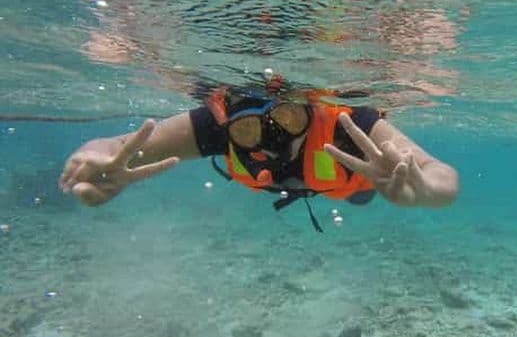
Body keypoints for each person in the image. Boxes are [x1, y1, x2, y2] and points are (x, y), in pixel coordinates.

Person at [58, 77, 459, 229]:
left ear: (311, 108)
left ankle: (364, 192)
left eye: (288, 118)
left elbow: (441, 175)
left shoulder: (348, 125)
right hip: (326, 182)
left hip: (357, 185)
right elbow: (116, 147)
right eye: (248, 129)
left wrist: (424, 190)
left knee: (361, 195)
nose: (272, 138)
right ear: (229, 121)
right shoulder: (215, 125)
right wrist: (93, 161)